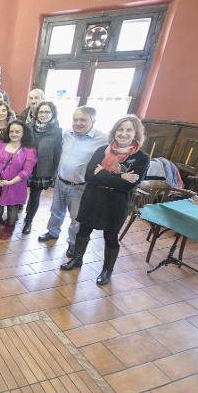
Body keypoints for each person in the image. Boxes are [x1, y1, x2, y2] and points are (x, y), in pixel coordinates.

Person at [60, 116, 149, 285]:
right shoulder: (102, 150)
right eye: (120, 129)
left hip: (116, 204)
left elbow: (126, 187)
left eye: (128, 130)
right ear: (114, 132)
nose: (123, 133)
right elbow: (88, 176)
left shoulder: (141, 158)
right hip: (92, 198)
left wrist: (101, 173)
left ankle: (107, 271)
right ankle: (77, 259)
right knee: (83, 230)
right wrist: (120, 176)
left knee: (111, 237)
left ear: (136, 133)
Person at [38, 107, 108, 257]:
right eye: (75, 119)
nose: (78, 123)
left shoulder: (103, 138)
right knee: (56, 210)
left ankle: (73, 243)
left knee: (76, 218)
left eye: (83, 120)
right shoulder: (67, 134)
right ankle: (52, 232)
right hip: (61, 181)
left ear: (93, 121)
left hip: (80, 187)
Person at [0, 121, 38, 239]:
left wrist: (10, 182)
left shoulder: (29, 150)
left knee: (12, 208)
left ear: (24, 133)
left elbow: (26, 171)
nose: (14, 134)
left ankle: (9, 227)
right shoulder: (0, 144)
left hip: (16, 185)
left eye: (17, 131)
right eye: (11, 131)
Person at [22, 101, 63, 234]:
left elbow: (57, 153)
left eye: (47, 112)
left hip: (43, 169)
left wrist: (53, 172)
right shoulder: (28, 127)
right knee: (19, 191)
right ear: (36, 113)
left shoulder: (57, 132)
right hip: (25, 167)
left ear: (52, 114)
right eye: (41, 112)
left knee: (35, 196)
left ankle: (29, 221)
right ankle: (15, 213)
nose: (44, 115)